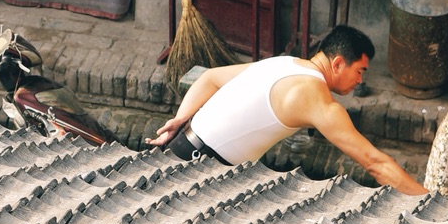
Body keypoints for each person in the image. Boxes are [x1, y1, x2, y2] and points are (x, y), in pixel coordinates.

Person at [146, 25, 428, 195]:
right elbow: (375, 164)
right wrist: (432, 202)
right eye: (359, 71)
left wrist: (180, 119)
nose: (360, 81)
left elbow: (209, 78)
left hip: (181, 143)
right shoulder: (319, 101)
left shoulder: (282, 63)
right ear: (339, 63)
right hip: (203, 171)